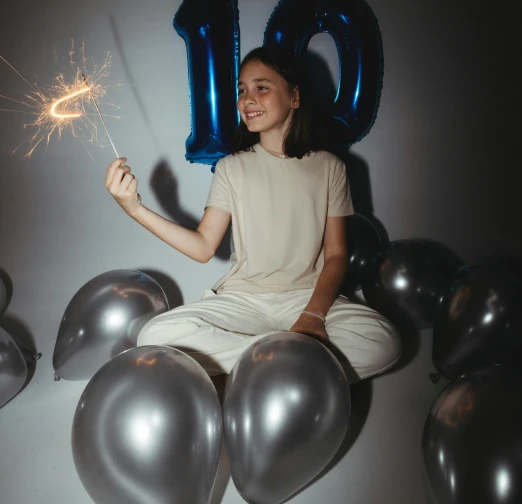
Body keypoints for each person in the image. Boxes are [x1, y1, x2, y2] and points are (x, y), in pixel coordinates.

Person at [105, 46, 401, 398]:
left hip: (305, 299)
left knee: (384, 340)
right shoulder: (232, 167)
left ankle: (261, 365)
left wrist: (314, 317)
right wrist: (135, 208)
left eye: (261, 87)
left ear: (293, 96)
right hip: (244, 301)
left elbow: (336, 256)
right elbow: (203, 248)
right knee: (153, 334)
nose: (247, 99)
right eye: (241, 90)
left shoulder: (330, 168)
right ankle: (290, 365)